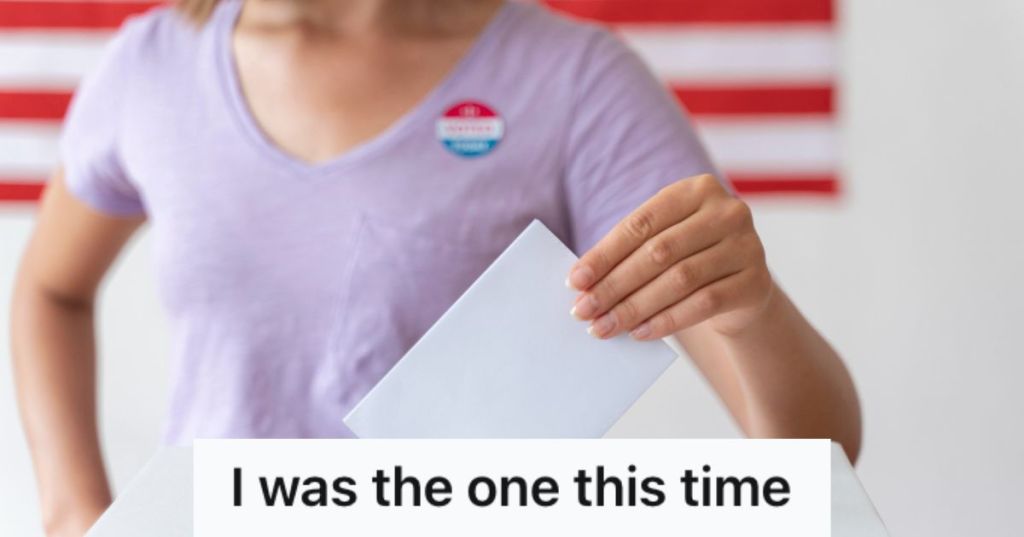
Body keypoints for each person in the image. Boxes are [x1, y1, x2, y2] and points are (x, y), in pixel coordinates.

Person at [10, 0, 861, 535]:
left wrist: (748, 307)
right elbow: (50, 288)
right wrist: (71, 510)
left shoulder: (574, 80)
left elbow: (813, 457)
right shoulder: (152, 67)